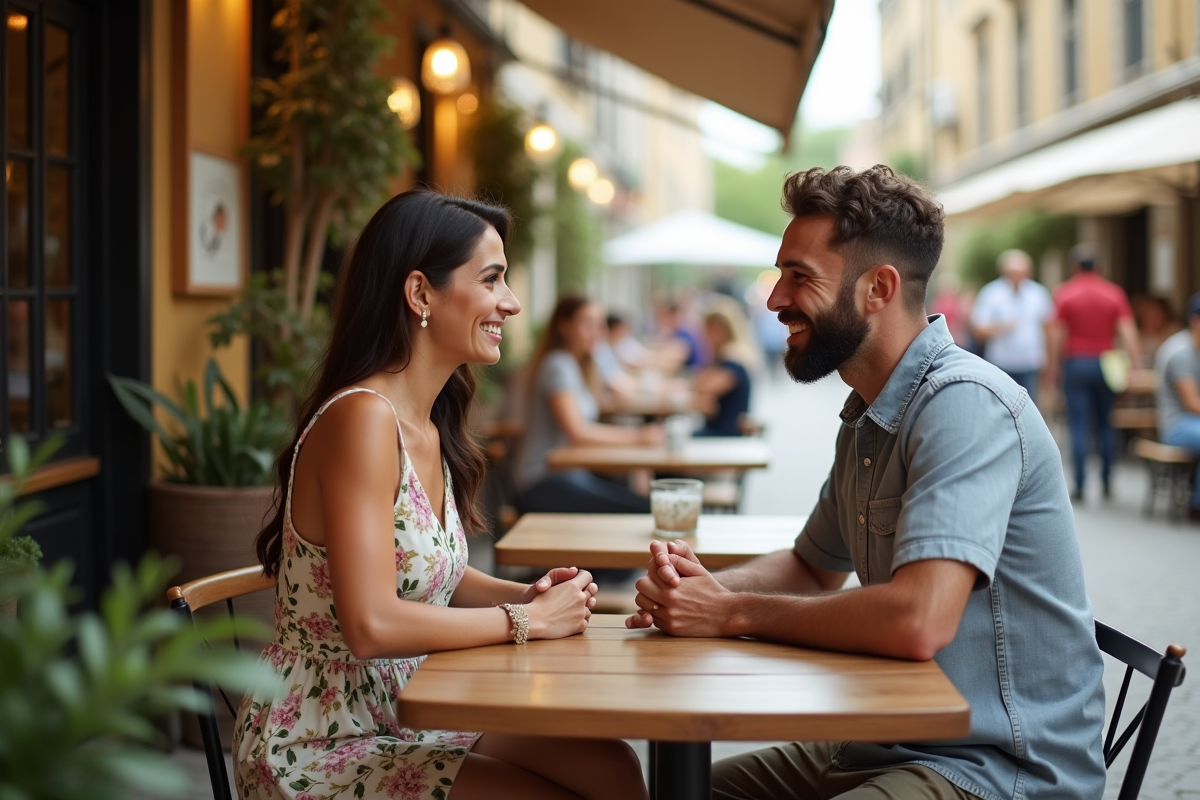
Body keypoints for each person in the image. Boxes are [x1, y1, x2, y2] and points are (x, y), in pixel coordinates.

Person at [627, 166, 1106, 800]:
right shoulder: (867, 415)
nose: (773, 300)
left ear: (877, 288)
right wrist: (698, 592)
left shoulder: (965, 405)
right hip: (885, 738)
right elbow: (810, 565)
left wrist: (732, 612)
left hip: (993, 766)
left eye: (800, 276)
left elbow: (918, 619)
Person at [233, 192, 648, 800]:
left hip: (406, 701)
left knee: (610, 769)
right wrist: (525, 621)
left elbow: (438, 576)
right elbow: (371, 624)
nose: (511, 302)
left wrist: (534, 596)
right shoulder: (362, 420)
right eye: (492, 279)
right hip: (322, 737)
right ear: (421, 293)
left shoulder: (428, 422)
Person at [515, 295, 662, 514]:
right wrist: (638, 436)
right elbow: (578, 432)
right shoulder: (558, 365)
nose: (597, 332)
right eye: (588, 324)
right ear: (564, 327)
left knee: (641, 498)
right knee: (647, 509)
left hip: (569, 475)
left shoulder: (576, 365)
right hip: (543, 481)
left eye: (600, 324)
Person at [1048, 245, 1141, 501]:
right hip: (1108, 363)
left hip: (1076, 362)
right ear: (1099, 267)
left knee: (1078, 424)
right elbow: (1128, 332)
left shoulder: (1065, 294)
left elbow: (1056, 335)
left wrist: (1053, 369)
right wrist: (1134, 366)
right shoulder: (1114, 293)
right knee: (1105, 424)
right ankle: (1107, 482)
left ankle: (1079, 485)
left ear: (1074, 267)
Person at [968, 249, 1054, 403]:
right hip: (1001, 363)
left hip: (1030, 363)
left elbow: (1047, 327)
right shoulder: (991, 293)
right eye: (1014, 272)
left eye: (1022, 272)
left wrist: (1049, 360)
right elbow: (978, 330)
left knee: (1029, 407)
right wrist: (1002, 327)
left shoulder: (1038, 293)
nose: (1018, 276)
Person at [1155, 293, 1200, 522]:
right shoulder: (1180, 352)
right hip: (1177, 424)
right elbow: (1192, 404)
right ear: (1195, 321)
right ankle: (1196, 506)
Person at [692, 299, 759, 437]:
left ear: (718, 330)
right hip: (724, 430)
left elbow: (701, 387)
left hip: (726, 434)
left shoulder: (732, 358)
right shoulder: (736, 354)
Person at [1135, 294, 1182, 366]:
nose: (1152, 319)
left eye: (1156, 315)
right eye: (1148, 314)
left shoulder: (1173, 333)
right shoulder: (1135, 335)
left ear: (1165, 314)